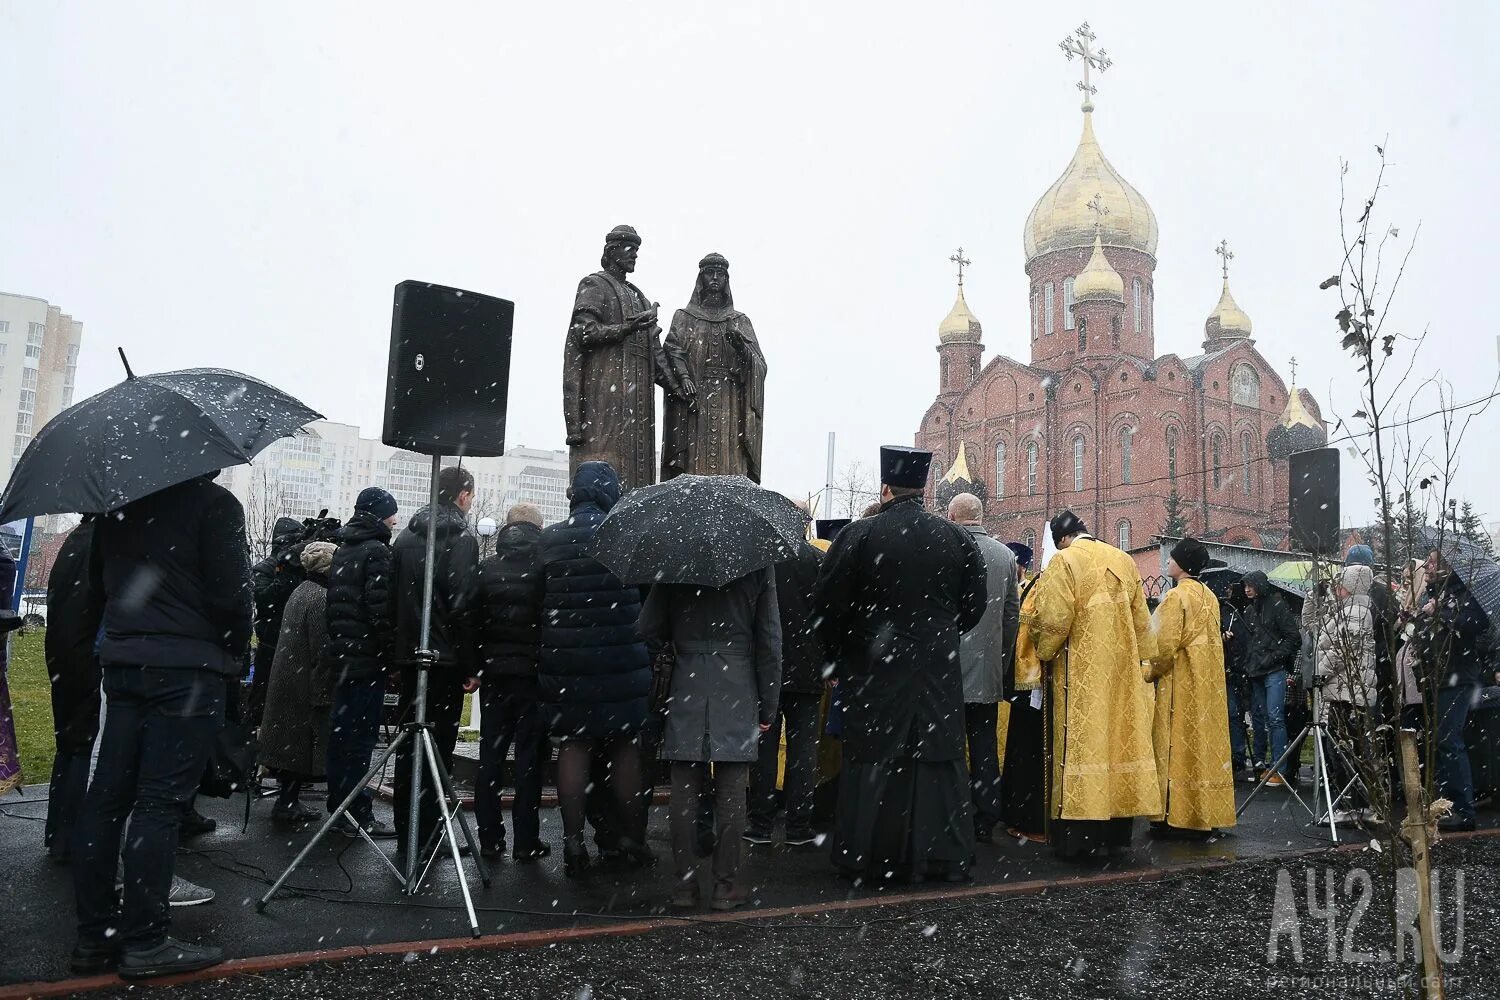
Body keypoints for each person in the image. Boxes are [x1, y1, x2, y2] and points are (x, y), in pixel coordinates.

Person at [71, 473, 252, 979]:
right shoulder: (215, 506)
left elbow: (96, 586)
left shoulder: (117, 506)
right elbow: (231, 596)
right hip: (186, 670)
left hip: (126, 665)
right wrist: (234, 648)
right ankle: (146, 940)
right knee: (160, 803)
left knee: (107, 798)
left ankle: (94, 937)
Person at [814, 446, 987, 883]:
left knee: (874, 758)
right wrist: (936, 637)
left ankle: (870, 855)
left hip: (874, 668)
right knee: (936, 759)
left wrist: (843, 652)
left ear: (885, 487)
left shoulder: (860, 536)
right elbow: (973, 608)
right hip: (935, 668)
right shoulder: (957, 539)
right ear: (924, 487)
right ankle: (938, 854)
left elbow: (828, 606)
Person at [640, 566, 782, 910]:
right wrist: (769, 704)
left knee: (684, 789)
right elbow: (769, 640)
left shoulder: (675, 557)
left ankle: (684, 886)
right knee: (733, 788)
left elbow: (647, 627)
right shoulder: (756, 562)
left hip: (687, 681)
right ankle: (725, 886)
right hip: (737, 682)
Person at [538, 461, 653, 876]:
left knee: (573, 745)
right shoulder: (627, 534)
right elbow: (647, 600)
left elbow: (540, 602)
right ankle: (629, 841)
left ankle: (572, 844)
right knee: (624, 748)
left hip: (567, 662)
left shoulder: (550, 540)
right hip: (622, 661)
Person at [1027, 511, 1158, 859]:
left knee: (1084, 744)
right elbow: (1143, 623)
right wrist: (1142, 665)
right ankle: (1116, 833)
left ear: (1062, 540)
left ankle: (1080, 837)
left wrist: (1041, 649)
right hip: (1122, 674)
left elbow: (1055, 621)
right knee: (1118, 742)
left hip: (1082, 674)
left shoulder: (1064, 561)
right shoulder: (1122, 559)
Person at [389, 466, 480, 863]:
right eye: (471, 495)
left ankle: (407, 830)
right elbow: (462, 606)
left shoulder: (405, 537)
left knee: (410, 747)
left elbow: (392, 603)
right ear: (462, 494)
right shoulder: (460, 539)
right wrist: (471, 664)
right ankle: (428, 832)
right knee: (437, 750)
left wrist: (395, 656)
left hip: (411, 658)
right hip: (443, 661)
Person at [562, 224, 680, 492]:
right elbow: (584, 332)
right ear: (612, 251)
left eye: (637, 250)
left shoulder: (639, 297)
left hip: (639, 404)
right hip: (604, 396)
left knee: (639, 475)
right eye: (629, 249)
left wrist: (678, 386)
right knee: (604, 462)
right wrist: (626, 328)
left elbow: (656, 353)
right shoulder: (594, 284)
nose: (634, 255)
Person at [473, 502, 551, 862]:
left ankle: (489, 835)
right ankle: (526, 839)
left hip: (494, 676)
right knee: (529, 759)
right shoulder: (544, 570)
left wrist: (476, 666)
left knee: (490, 755)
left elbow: (471, 621)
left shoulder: (486, 569)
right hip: (532, 677)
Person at [1145, 538, 1236, 836]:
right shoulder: (1209, 596)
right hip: (1207, 684)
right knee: (1201, 747)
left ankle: (1175, 816)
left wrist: (1148, 671)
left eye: (1172, 558)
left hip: (1180, 685)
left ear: (1182, 564)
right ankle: (1203, 813)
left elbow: (1163, 647)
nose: (1168, 562)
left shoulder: (1175, 598)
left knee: (1176, 747)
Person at [323, 486, 399, 838]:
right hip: (367, 660)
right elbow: (380, 610)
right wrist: (390, 652)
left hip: (342, 658)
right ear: (380, 515)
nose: (395, 520)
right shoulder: (377, 552)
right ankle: (357, 811)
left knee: (341, 736)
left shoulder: (344, 550)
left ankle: (339, 806)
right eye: (392, 513)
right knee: (361, 740)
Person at [746, 523, 824, 847]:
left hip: (766, 669)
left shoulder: (764, 560)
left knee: (764, 746)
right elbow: (828, 615)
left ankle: (761, 822)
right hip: (808, 668)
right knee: (803, 750)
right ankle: (798, 824)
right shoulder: (818, 561)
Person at [947, 493, 1019, 845]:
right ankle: (986, 816)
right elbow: (1010, 617)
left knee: (949, 744)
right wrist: (1001, 661)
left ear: (952, 515)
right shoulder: (1005, 556)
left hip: (947, 669)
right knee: (984, 744)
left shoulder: (945, 547)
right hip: (987, 668)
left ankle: (953, 812)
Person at [660, 252, 769, 483]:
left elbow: (759, 365)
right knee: (693, 469)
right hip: (695, 404)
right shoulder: (684, 317)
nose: (715, 278)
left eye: (721, 273)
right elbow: (671, 350)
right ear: (701, 278)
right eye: (710, 273)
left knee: (728, 469)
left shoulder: (740, 320)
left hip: (730, 405)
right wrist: (684, 376)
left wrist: (741, 347)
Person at [258, 542, 337, 824]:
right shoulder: (321, 598)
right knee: (298, 747)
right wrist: (324, 693)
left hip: (288, 677)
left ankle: (288, 800)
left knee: (288, 746)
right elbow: (322, 650)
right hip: (302, 683)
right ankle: (287, 803)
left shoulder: (301, 591)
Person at [44, 517, 104, 863]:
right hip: (86, 656)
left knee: (68, 743)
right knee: (84, 745)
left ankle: (58, 833)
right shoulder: (101, 542)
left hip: (64, 653)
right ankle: (73, 835)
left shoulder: (75, 540)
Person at [1417, 549, 1487, 832]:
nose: (1427, 567)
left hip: (1457, 676)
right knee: (1440, 741)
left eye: (1433, 562)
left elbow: (1475, 623)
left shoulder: (1463, 593)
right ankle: (1445, 806)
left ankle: (1462, 809)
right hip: (1436, 675)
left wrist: (1441, 612)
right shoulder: (1433, 593)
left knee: (1449, 739)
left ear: (1447, 566)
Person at [1315, 564, 1379, 822]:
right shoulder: (1351, 610)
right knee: (1349, 748)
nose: (1336, 587)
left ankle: (1349, 806)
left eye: (1341, 582)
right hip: (1345, 689)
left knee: (1343, 749)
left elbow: (1343, 647)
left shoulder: (1356, 611)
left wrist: (1320, 672)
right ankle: (1356, 804)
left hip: (1346, 692)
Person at [1001, 542, 1046, 841]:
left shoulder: (1033, 590)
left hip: (1028, 681)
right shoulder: (1034, 591)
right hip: (1024, 680)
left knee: (1026, 749)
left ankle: (1024, 816)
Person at [1240, 570, 1300, 786]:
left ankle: (1278, 767)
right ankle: (1267, 765)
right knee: (1263, 718)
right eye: (1245, 585)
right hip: (1258, 669)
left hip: (1272, 669)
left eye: (1250, 585)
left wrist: (1274, 657)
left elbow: (1293, 636)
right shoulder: (1250, 610)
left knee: (1274, 718)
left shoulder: (1276, 606)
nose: (1247, 589)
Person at [248, 516, 309, 728]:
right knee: (262, 701)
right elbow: (265, 601)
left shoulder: (299, 568)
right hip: (271, 644)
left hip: (295, 643)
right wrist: (287, 573)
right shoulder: (264, 569)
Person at [1221, 584, 1254, 781]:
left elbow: (1245, 641)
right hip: (1227, 669)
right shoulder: (1224, 611)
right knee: (1233, 714)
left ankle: (1237, 756)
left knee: (1235, 714)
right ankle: (1234, 754)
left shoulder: (1238, 613)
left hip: (1236, 670)